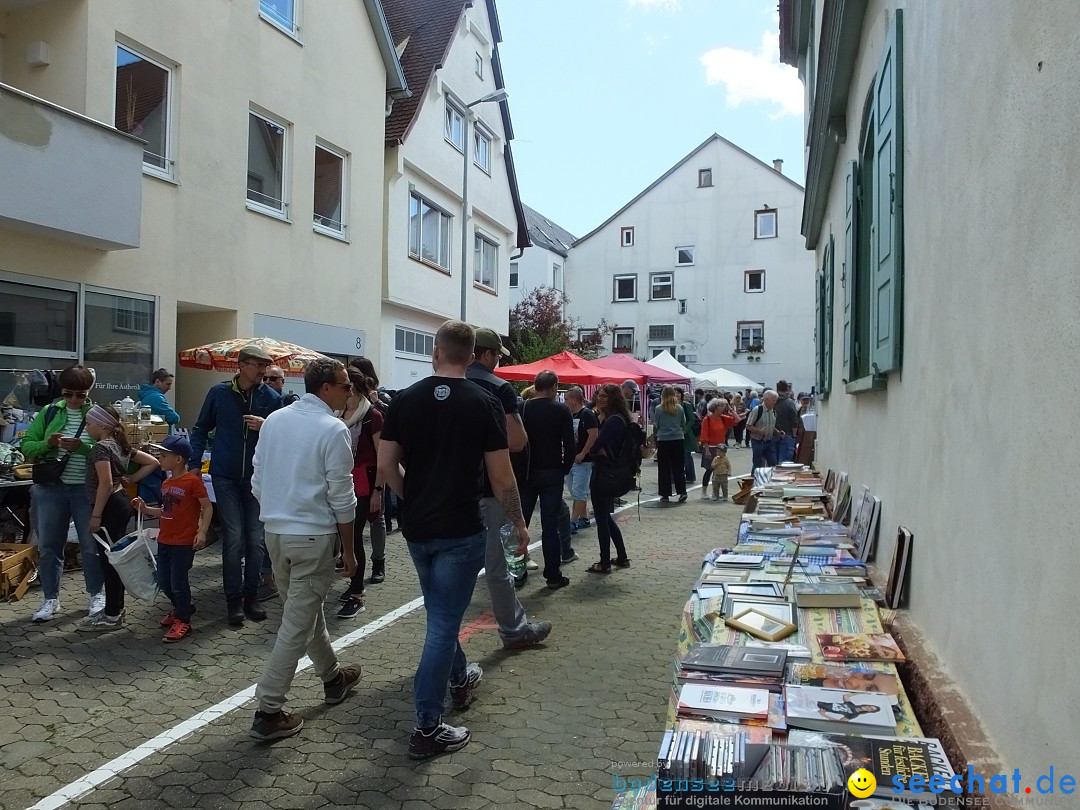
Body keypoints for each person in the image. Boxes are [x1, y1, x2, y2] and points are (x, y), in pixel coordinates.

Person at [378, 320, 532, 760]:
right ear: (473, 356)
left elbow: (387, 466)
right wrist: (519, 525)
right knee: (442, 625)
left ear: (435, 352)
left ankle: (460, 679)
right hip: (461, 529)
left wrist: (414, 497)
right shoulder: (484, 401)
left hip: (419, 529)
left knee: (439, 614)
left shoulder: (404, 400)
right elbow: (502, 476)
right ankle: (426, 726)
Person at [249, 358, 362, 741]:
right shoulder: (333, 429)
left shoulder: (277, 420)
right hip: (312, 537)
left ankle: (333, 678)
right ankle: (268, 710)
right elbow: (343, 498)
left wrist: (277, 512)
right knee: (296, 626)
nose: (351, 392)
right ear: (326, 389)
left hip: (276, 534)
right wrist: (349, 549)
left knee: (306, 615)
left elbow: (258, 479)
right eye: (346, 386)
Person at [465, 327, 552, 649]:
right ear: (486, 355)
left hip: (443, 496)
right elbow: (517, 442)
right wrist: (519, 520)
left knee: (449, 574)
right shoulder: (497, 389)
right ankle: (514, 631)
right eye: (497, 357)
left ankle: (444, 649)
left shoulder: (433, 387)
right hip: (487, 489)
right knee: (496, 568)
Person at [188, 344, 283, 626]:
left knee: (256, 539)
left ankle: (251, 596)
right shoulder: (219, 393)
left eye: (266, 366)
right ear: (241, 366)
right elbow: (200, 428)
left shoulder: (271, 397)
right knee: (234, 538)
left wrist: (265, 425)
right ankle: (233, 601)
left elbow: (280, 435)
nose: (263, 371)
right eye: (258, 365)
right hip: (225, 475)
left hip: (256, 476)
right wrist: (194, 463)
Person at [23, 365, 104, 623]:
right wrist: (49, 443)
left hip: (84, 488)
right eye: (68, 394)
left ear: (88, 392)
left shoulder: (97, 414)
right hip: (51, 488)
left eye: (80, 395)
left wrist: (82, 447)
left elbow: (110, 448)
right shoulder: (48, 412)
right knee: (49, 546)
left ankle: (96, 595)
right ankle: (50, 599)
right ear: (61, 391)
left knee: (90, 546)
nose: (73, 400)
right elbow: (26, 445)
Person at [81, 404, 159, 631]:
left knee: (110, 561)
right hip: (121, 501)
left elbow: (104, 483)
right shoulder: (120, 444)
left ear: (102, 425)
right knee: (114, 558)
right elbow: (152, 462)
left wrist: (95, 516)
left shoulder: (100, 448)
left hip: (109, 506)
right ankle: (114, 610)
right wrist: (132, 478)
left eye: (89, 423)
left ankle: (113, 614)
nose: (87, 427)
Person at [133, 435, 212, 642]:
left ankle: (183, 619)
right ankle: (181, 608)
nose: (160, 458)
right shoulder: (167, 482)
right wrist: (145, 508)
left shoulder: (192, 482)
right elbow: (165, 510)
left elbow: (207, 506)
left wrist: (201, 531)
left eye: (164, 455)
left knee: (178, 582)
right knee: (164, 581)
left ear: (178, 459)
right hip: (165, 540)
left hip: (183, 542)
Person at [337, 369, 388, 619]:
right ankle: (352, 584)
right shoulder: (338, 413)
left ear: (354, 388)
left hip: (365, 483)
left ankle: (357, 593)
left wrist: (378, 490)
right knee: (345, 535)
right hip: (341, 481)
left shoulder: (372, 415)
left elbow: (383, 458)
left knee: (354, 535)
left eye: (346, 386)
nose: (343, 390)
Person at [519, 371, 575, 590]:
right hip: (552, 472)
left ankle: (518, 573)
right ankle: (553, 575)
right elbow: (570, 445)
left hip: (526, 472)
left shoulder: (523, 407)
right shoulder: (561, 410)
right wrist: (565, 468)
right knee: (549, 526)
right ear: (553, 387)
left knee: (520, 523)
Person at [586, 383, 632, 574]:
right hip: (611, 472)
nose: (600, 399)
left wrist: (596, 450)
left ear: (613, 399)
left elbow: (596, 445)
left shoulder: (613, 420)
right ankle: (621, 557)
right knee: (605, 516)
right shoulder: (618, 418)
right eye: (599, 396)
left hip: (605, 473)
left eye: (604, 396)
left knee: (602, 519)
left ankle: (604, 562)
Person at [564, 386, 597, 534]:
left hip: (582, 460)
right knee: (575, 491)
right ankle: (583, 517)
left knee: (579, 491)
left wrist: (583, 453)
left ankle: (573, 521)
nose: (565, 402)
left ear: (575, 399)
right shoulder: (570, 415)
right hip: (570, 458)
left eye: (567, 399)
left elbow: (593, 435)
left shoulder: (587, 414)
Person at [652, 385, 687, 504]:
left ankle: (665, 494)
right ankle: (682, 492)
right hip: (678, 439)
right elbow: (683, 423)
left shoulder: (658, 408)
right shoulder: (679, 408)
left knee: (664, 468)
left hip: (664, 440)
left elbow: (657, 424)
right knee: (678, 467)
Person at [699, 399, 739, 496]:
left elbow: (737, 420)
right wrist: (707, 449)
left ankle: (715, 492)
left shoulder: (723, 418)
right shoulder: (707, 419)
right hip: (711, 447)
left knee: (719, 471)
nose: (723, 408)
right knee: (709, 469)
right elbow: (704, 436)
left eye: (724, 406)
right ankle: (704, 491)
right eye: (721, 406)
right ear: (715, 407)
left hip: (721, 447)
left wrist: (731, 410)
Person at [745, 390, 781, 473]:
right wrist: (759, 431)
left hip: (769, 441)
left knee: (773, 463)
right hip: (758, 441)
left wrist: (778, 432)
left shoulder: (773, 412)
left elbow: (771, 426)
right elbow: (748, 425)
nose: (775, 402)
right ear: (766, 399)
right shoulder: (757, 410)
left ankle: (769, 481)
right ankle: (754, 481)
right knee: (757, 464)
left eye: (776, 400)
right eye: (773, 400)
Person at [774, 380, 802, 463]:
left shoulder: (772, 401)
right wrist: (794, 435)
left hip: (773, 434)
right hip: (788, 434)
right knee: (784, 463)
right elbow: (794, 421)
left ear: (777, 389)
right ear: (787, 389)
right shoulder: (790, 402)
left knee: (773, 462)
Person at [677, 388, 698, 484]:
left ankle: (690, 476)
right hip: (676, 434)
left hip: (686, 434)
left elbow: (692, 419)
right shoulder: (672, 405)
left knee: (687, 455)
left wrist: (685, 430)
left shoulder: (686, 405)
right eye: (675, 393)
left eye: (678, 393)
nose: (676, 395)